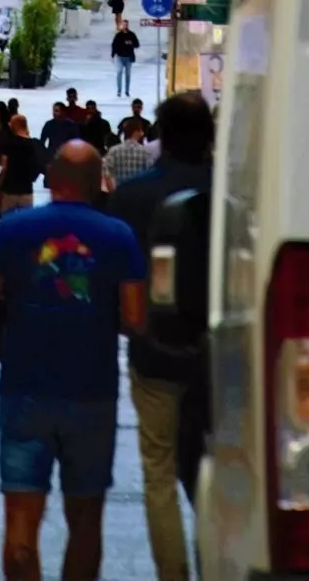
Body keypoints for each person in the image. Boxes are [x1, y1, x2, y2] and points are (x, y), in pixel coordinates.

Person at [0, 142, 147, 581]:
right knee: (86, 521)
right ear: (99, 184)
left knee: (20, 525)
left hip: (24, 391)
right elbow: (135, 319)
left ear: (50, 178)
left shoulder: (14, 230)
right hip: (93, 392)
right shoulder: (118, 237)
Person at [110, 95, 215, 581]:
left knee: (158, 471)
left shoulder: (131, 198)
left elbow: (117, 282)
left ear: (161, 136)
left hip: (154, 352)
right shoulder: (236, 193)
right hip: (224, 358)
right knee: (222, 472)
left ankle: (173, 573)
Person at [0, 115, 45, 214]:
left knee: (7, 223)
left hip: (9, 191)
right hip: (27, 190)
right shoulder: (34, 144)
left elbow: (2, 167)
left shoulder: (8, 143)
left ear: (15, 125)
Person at [112, 23, 140, 97]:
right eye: (123, 25)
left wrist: (131, 43)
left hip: (129, 57)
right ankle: (119, 90)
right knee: (119, 71)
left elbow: (137, 44)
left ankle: (127, 91)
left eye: (126, 25)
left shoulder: (131, 34)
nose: (125, 26)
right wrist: (113, 54)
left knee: (128, 74)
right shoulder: (118, 35)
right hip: (119, 57)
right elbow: (114, 45)